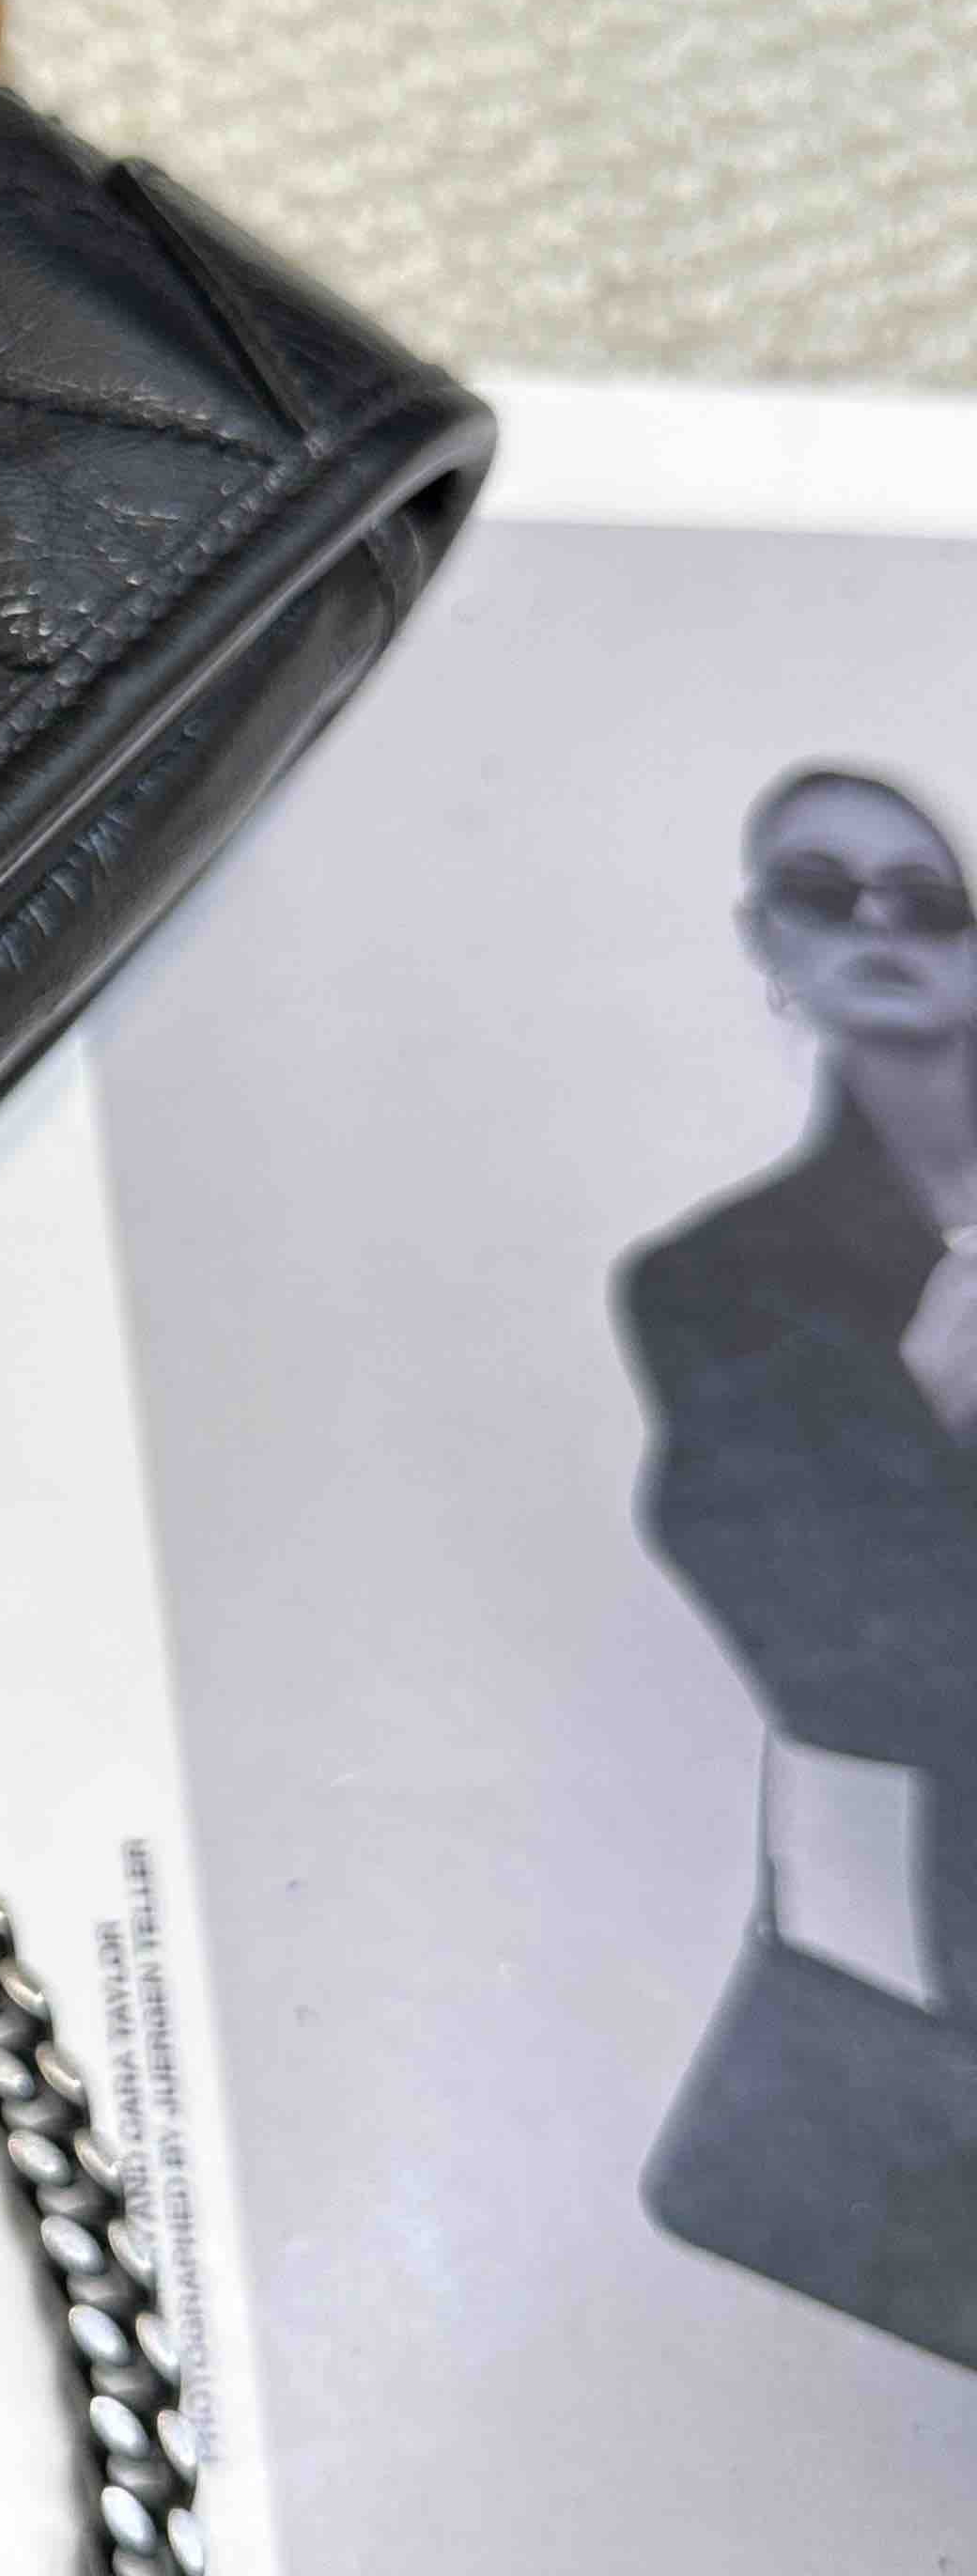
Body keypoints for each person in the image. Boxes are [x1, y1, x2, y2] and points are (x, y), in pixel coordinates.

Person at [617, 764, 977, 2366]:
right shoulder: (719, 1283)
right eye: (828, 893)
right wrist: (926, 1413)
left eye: (929, 898)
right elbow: (837, 1658)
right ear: (772, 943)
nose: (883, 924)